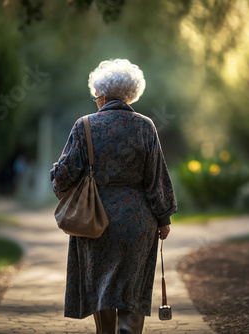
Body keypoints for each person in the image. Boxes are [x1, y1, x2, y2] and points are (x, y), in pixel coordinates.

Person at [50, 59, 177, 334]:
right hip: (138, 223)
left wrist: (56, 176)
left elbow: (63, 180)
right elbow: (157, 178)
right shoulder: (146, 127)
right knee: (132, 288)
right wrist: (163, 217)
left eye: (96, 97)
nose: (96, 101)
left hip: (95, 221)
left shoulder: (84, 126)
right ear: (130, 95)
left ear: (104, 96)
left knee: (101, 288)